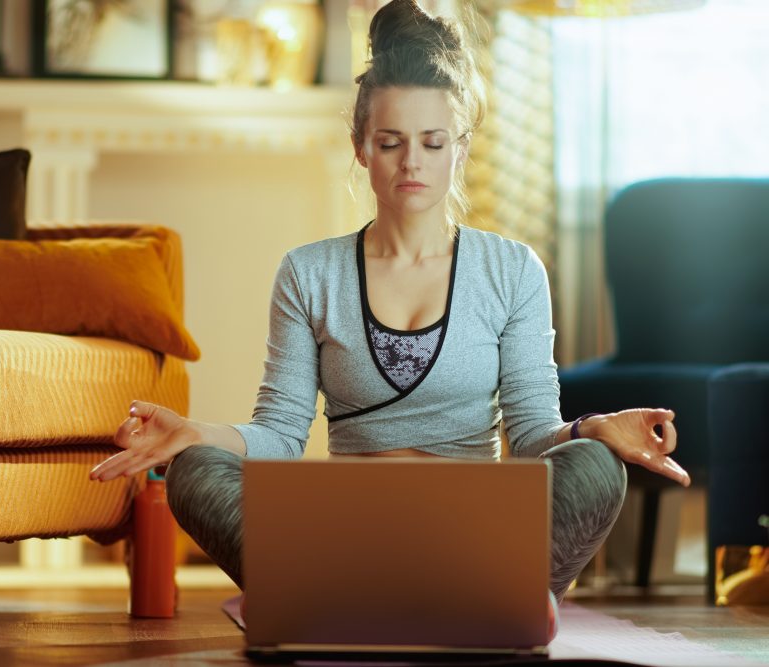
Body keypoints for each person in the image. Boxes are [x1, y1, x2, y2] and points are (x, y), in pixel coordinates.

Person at [90, 0, 690, 619]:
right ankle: (456, 603)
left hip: (476, 531)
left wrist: (593, 430)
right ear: (360, 149)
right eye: (390, 142)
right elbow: (279, 433)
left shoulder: (512, 271)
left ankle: (389, 597)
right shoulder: (309, 272)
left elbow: (535, 436)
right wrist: (196, 433)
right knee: (194, 470)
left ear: (459, 149)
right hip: (349, 528)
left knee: (595, 467)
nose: (412, 162)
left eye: (432, 143)